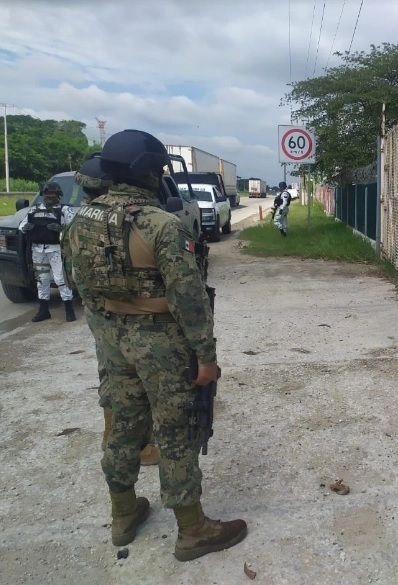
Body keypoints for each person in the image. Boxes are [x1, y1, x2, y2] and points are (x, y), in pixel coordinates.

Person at [62, 129, 246, 560]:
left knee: (124, 426)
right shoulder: (162, 225)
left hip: (112, 341)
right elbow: (189, 299)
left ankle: (123, 515)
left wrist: (108, 333)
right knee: (176, 431)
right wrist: (206, 358)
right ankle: (193, 529)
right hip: (163, 346)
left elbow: (77, 284)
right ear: (148, 172)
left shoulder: (80, 221)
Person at [72, 157, 160, 466]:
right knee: (125, 380)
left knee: (111, 371)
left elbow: (74, 277)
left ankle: (115, 438)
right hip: (118, 313)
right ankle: (127, 443)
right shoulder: (116, 222)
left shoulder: (79, 222)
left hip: (98, 312)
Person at [19, 181, 76, 322]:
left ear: (58, 195)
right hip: (37, 250)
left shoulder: (65, 209)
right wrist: (25, 227)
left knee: (61, 279)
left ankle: (69, 310)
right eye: (47, 193)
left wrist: (60, 229)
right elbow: (21, 225)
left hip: (56, 250)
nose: (49, 196)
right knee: (42, 280)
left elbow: (73, 229)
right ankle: (43, 311)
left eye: (52, 193)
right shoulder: (34, 210)